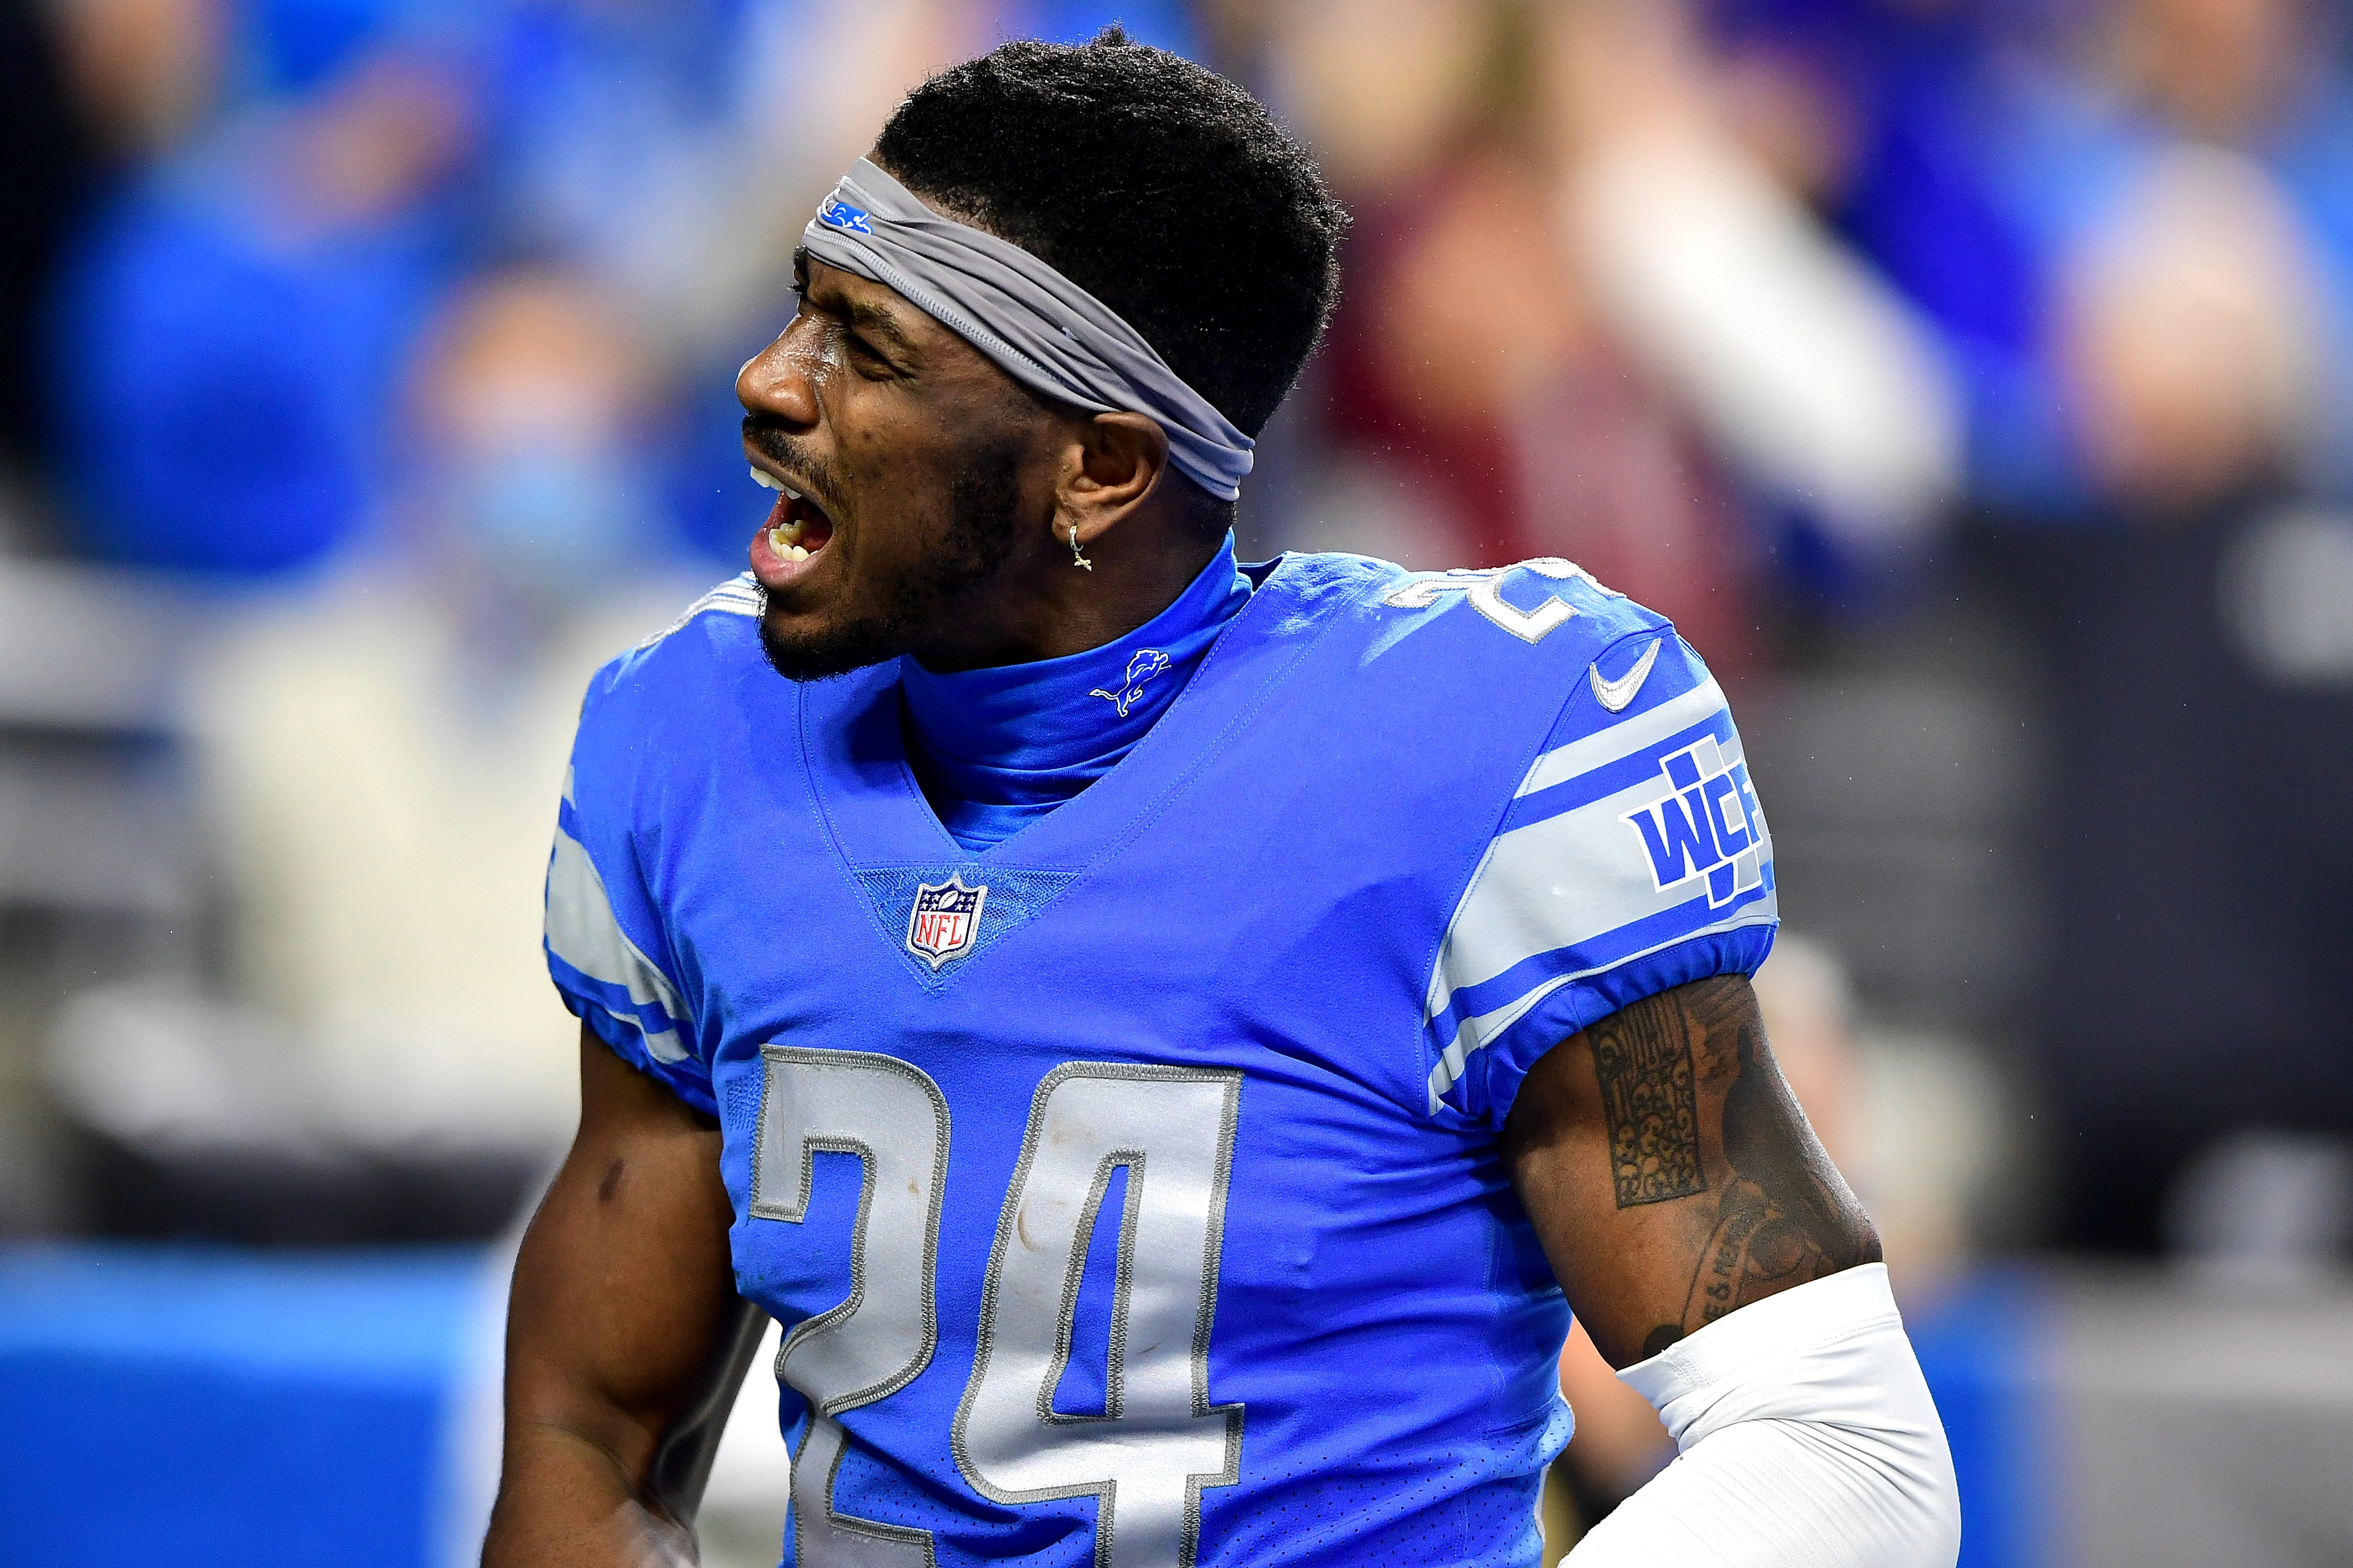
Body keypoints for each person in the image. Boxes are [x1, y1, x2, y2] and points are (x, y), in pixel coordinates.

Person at [486, 30, 1959, 1568]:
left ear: (1101, 470)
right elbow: (587, 1442)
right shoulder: (691, 733)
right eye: (803, 309)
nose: (769, 380)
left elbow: (1840, 1447)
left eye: (870, 348)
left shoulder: (1470, 754)